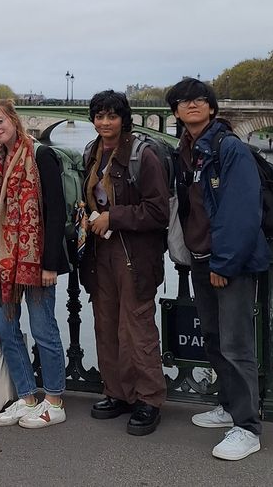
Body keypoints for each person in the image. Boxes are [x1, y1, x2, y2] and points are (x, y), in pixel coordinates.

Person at [166, 77, 268, 461]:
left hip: (228, 263)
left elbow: (240, 211)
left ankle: (247, 427)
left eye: (198, 100)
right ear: (175, 112)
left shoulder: (230, 149)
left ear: (211, 107)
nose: (191, 105)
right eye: (182, 101)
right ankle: (229, 406)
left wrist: (224, 263)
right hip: (201, 259)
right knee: (213, 338)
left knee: (236, 343)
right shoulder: (186, 150)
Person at [80, 91, 169, 435]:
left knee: (137, 327)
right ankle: (116, 391)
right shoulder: (92, 152)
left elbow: (158, 211)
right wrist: (87, 219)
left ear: (123, 119)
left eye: (111, 116)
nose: (104, 123)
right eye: (99, 116)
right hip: (99, 252)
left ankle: (148, 398)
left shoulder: (142, 155)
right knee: (106, 324)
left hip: (134, 254)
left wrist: (112, 218)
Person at [0, 98, 69, 429]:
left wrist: (50, 264)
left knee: (44, 329)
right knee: (6, 328)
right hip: (3, 262)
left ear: (13, 119)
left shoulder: (42, 155)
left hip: (35, 259)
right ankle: (28, 396)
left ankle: (55, 400)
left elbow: (56, 211)